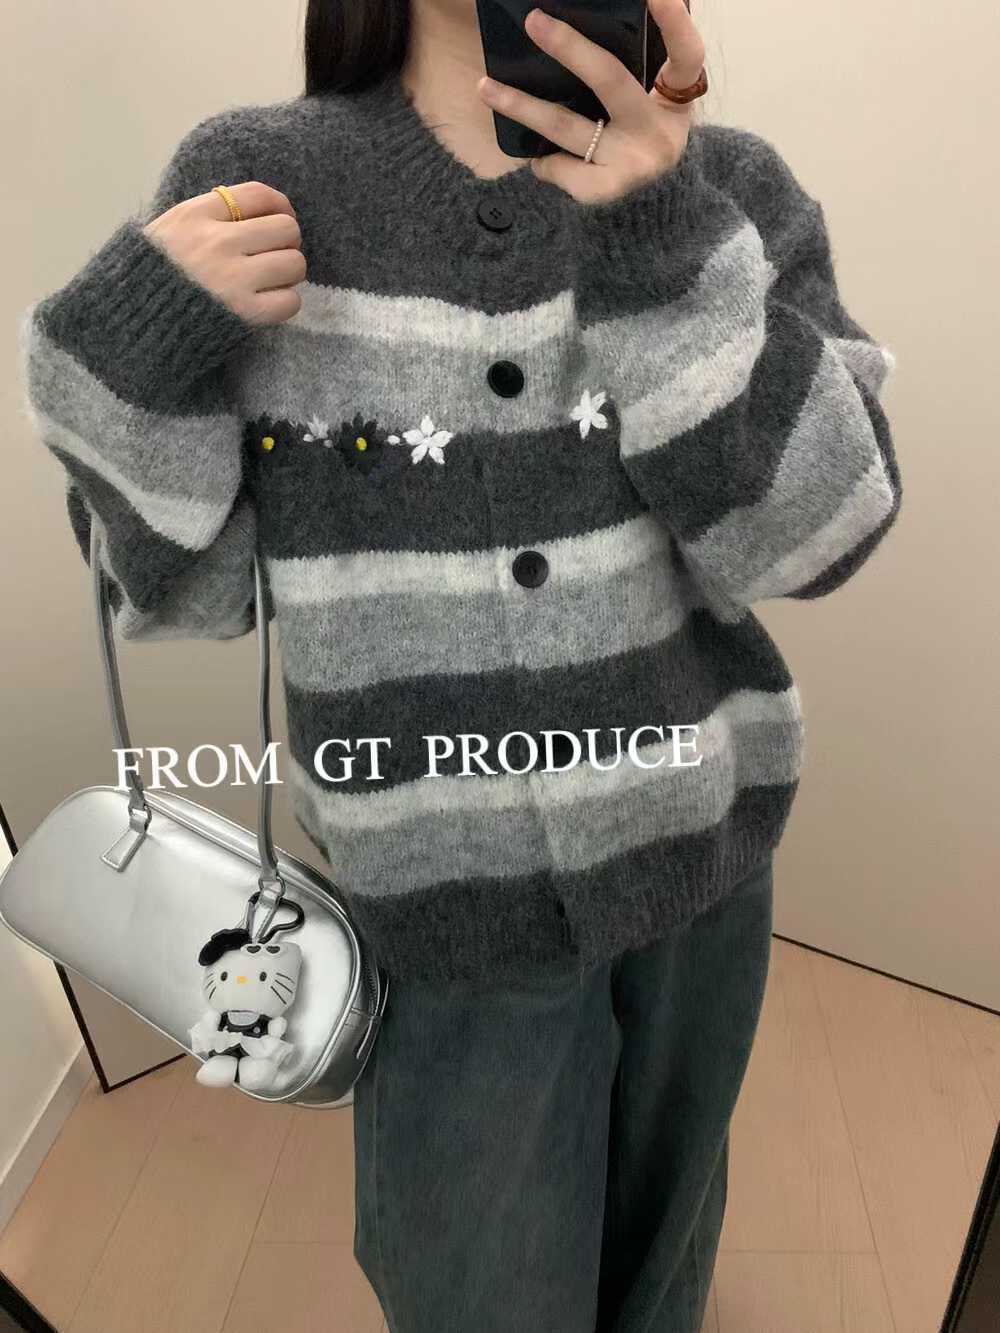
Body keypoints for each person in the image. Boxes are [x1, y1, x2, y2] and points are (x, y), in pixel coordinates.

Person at [17, 0, 902, 1328]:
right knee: (474, 1291)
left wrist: (660, 235)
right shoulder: (261, 181)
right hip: (439, 914)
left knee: (665, 1259)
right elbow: (175, 586)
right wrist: (134, 345)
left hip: (701, 873)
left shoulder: (725, 190)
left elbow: (820, 532)